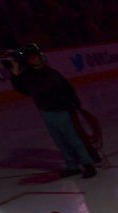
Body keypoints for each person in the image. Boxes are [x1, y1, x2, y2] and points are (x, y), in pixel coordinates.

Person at [8, 44, 96, 179]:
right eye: (30, 58)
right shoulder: (29, 75)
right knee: (59, 141)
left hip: (61, 111)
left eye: (35, 57)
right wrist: (14, 74)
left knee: (73, 139)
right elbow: (24, 90)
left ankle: (87, 164)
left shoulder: (50, 73)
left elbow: (66, 88)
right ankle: (72, 165)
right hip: (46, 111)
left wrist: (74, 103)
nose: (33, 60)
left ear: (40, 57)